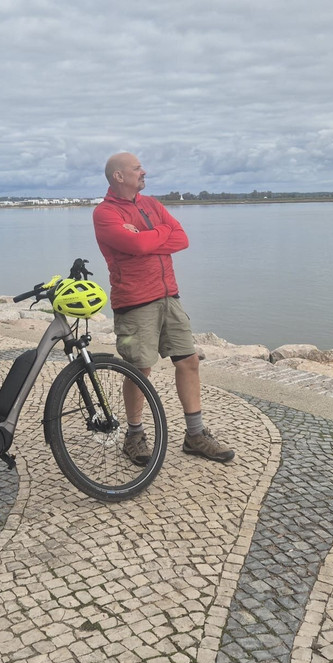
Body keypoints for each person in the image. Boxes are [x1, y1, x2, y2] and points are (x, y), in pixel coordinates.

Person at [93, 152, 235, 466]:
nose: (144, 172)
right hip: (134, 302)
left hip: (169, 296)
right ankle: (134, 436)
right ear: (119, 176)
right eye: (137, 168)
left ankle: (195, 435)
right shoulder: (105, 214)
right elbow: (138, 247)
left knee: (189, 361)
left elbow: (181, 238)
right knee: (139, 369)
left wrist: (146, 236)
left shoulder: (152, 204)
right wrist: (153, 237)